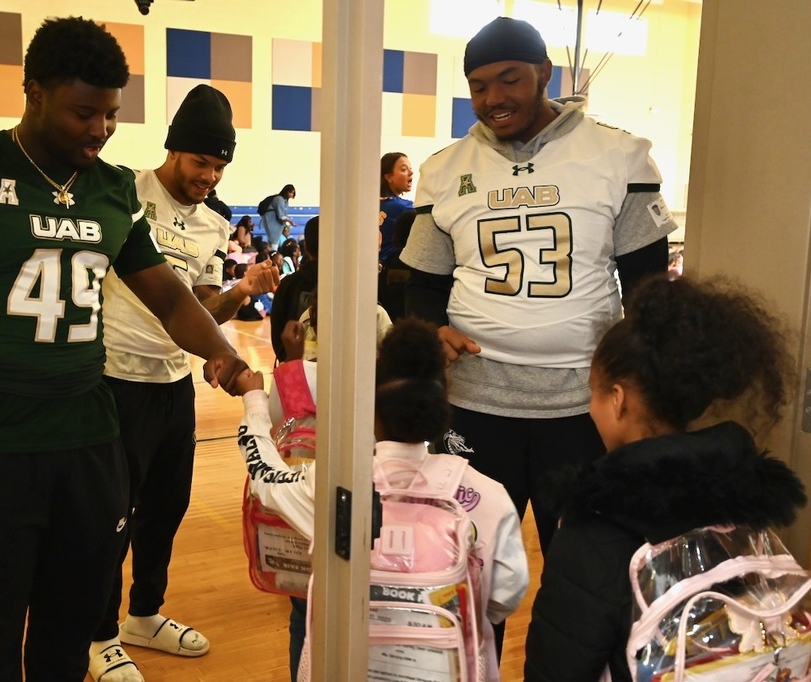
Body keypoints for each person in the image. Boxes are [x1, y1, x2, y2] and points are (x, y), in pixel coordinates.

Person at [0, 18, 251, 682]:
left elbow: (170, 298)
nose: (100, 129)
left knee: (68, 629)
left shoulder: (113, 191)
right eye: (84, 111)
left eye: (111, 114)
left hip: (88, 444)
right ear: (33, 92)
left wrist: (223, 357)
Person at [401, 16, 678, 565]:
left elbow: (648, 289)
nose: (493, 98)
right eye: (479, 87)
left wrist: (643, 390)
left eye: (510, 80)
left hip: (586, 404)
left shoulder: (618, 156)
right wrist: (434, 329)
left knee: (584, 566)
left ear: (544, 73)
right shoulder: (442, 169)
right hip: (477, 401)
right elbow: (425, 282)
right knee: (470, 565)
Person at [522, 275, 805, 681]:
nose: (590, 409)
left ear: (617, 401)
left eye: (594, 393)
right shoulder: (742, 501)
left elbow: (556, 668)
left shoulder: (595, 530)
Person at [90, 84, 279, 682]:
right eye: (201, 162)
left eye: (220, 166)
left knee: (165, 509)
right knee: (109, 515)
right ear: (173, 151)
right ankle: (96, 634)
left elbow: (199, 310)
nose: (210, 176)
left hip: (173, 386)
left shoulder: (212, 225)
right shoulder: (123, 191)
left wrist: (241, 294)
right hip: (115, 380)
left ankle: (143, 614)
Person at [236, 318, 529, 682]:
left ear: (371, 409)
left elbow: (265, 478)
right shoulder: (487, 495)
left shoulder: (334, 486)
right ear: (443, 404)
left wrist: (254, 402)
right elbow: (504, 598)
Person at [270, 216, 319, 362]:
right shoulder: (353, 285)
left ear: (306, 248)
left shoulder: (288, 284)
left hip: (295, 366)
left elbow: (278, 338)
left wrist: (290, 360)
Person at [260, 184, 295, 249]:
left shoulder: (285, 200)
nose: (292, 194)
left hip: (275, 222)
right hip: (272, 221)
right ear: (286, 191)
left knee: (273, 241)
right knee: (274, 241)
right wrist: (290, 221)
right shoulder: (279, 199)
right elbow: (281, 215)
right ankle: (274, 254)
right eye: (291, 192)